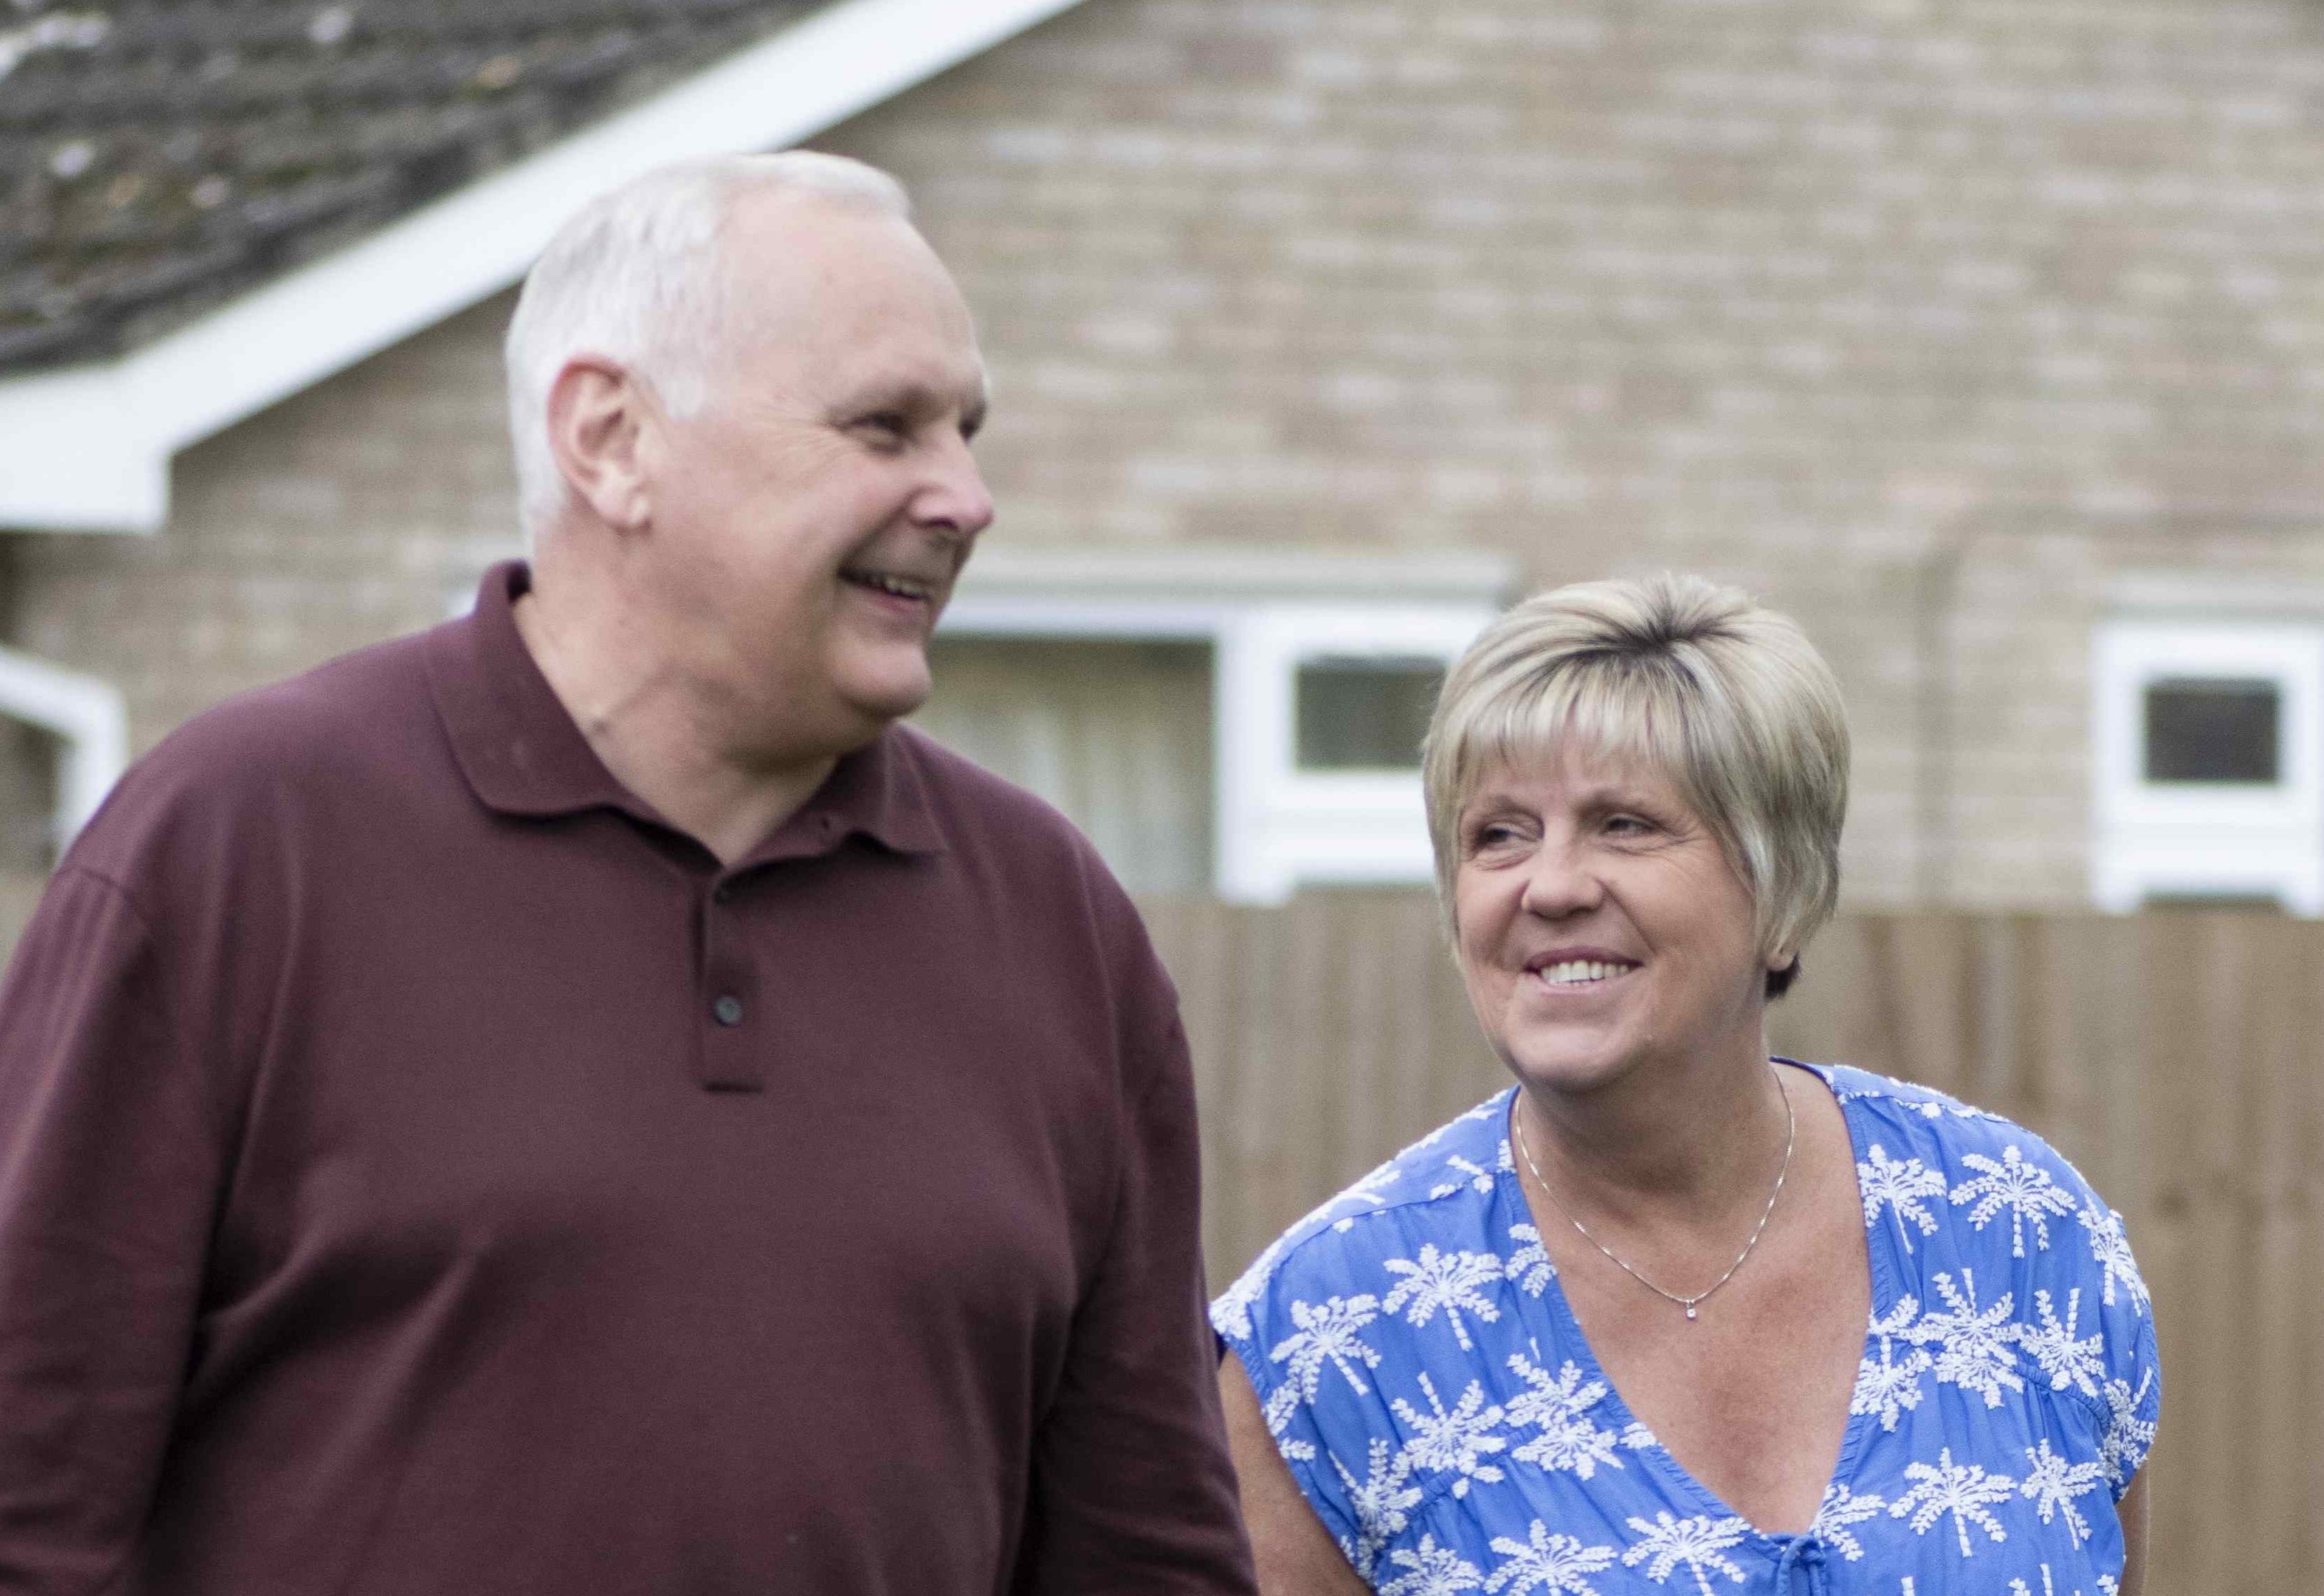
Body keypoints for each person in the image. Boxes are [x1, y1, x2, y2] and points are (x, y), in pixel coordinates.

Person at [0, 153, 1255, 1595]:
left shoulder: (1054, 925)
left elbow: (1144, 1555)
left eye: (966, 433)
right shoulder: (237, 847)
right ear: (611, 439)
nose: (966, 498)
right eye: (884, 426)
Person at [1212, 575, 2157, 1595]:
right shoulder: (1332, 1336)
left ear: (1783, 887)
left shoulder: (2019, 1235)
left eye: (1625, 823)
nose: (1552, 884)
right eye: (1499, 834)